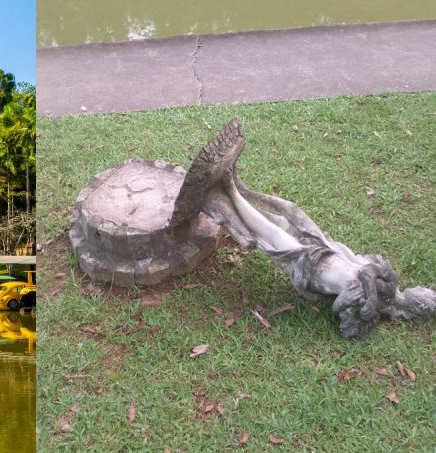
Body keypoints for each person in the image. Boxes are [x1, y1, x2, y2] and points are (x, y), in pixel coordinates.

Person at [186, 120, 436, 338]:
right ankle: (239, 190)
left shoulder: (372, 312)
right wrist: (367, 292)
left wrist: (360, 301)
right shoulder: (387, 283)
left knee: (268, 234)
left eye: (425, 295)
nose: (423, 290)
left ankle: (226, 190)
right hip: (326, 247)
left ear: (417, 306)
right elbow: (368, 268)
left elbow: (340, 307)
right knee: (288, 211)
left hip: (315, 270)